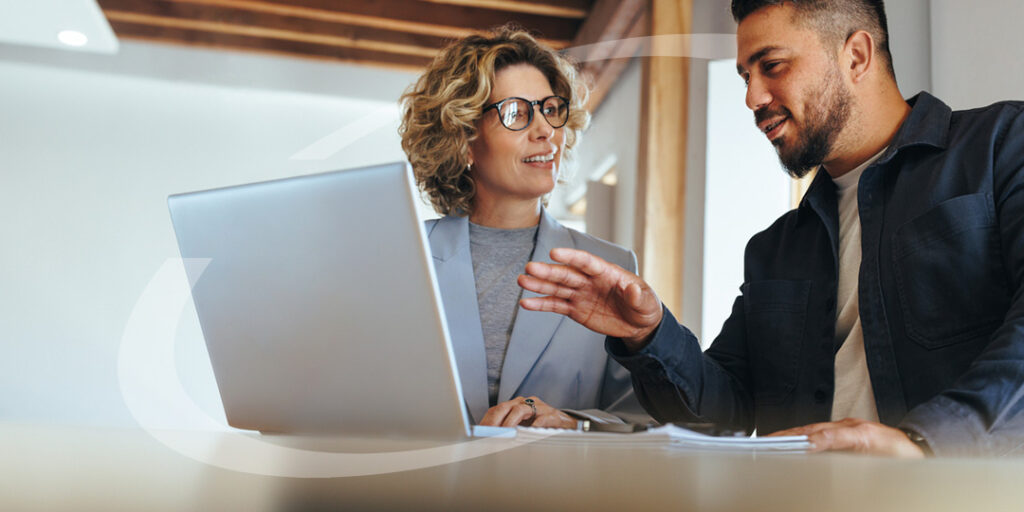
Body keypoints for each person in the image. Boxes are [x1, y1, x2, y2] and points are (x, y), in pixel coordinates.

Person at [517, 0, 1024, 457]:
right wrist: (646, 335)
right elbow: (723, 413)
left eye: (773, 66)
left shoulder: (1002, 147)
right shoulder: (776, 248)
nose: (753, 97)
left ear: (856, 56)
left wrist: (923, 443)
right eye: (744, 77)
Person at [399, 27, 649, 429]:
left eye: (550, 109)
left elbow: (642, 418)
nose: (545, 131)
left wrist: (573, 423)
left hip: (554, 491)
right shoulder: (402, 258)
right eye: (517, 113)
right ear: (464, 138)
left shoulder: (610, 266)